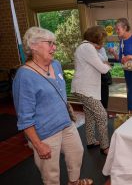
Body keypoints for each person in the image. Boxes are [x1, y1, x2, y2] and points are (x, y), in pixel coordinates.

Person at [12, 26, 93, 185]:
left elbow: (57, 92)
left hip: (66, 124)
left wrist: (67, 108)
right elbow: (24, 117)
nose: (54, 47)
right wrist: (38, 144)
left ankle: (74, 182)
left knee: (77, 153)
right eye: (50, 43)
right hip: (46, 133)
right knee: (51, 174)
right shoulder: (25, 76)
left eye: (54, 43)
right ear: (34, 46)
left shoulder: (55, 64)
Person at [71, 26, 111, 154]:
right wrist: (107, 65)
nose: (103, 42)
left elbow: (100, 62)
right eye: (102, 39)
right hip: (84, 88)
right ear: (96, 38)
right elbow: (103, 68)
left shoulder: (85, 47)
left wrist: (104, 63)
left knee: (89, 114)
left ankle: (91, 141)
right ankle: (105, 146)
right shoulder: (87, 47)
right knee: (102, 115)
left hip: (85, 88)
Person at [108, 18, 132, 114]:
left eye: (118, 29)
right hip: (127, 71)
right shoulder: (121, 41)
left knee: (131, 94)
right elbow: (121, 60)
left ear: (125, 28)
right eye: (115, 29)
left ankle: (131, 116)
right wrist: (113, 53)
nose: (116, 31)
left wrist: (130, 57)